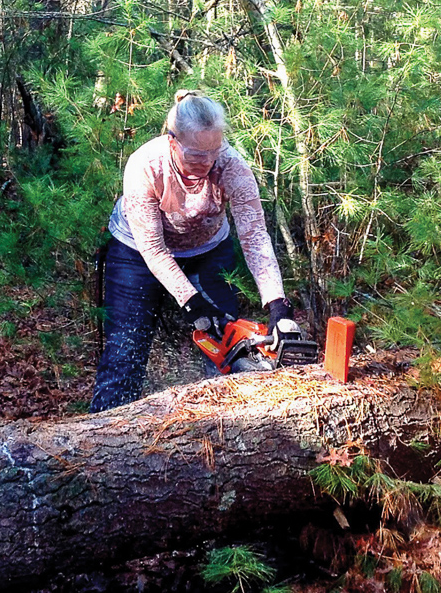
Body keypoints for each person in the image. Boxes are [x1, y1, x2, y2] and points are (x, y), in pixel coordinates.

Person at [89, 90, 298, 413]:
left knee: (229, 347)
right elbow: (153, 249)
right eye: (196, 155)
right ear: (173, 141)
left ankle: (227, 429)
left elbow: (255, 236)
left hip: (208, 251)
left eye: (213, 151)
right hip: (136, 254)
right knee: (124, 352)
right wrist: (191, 301)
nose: (207, 162)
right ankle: (103, 432)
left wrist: (277, 304)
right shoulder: (145, 166)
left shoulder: (231, 165)